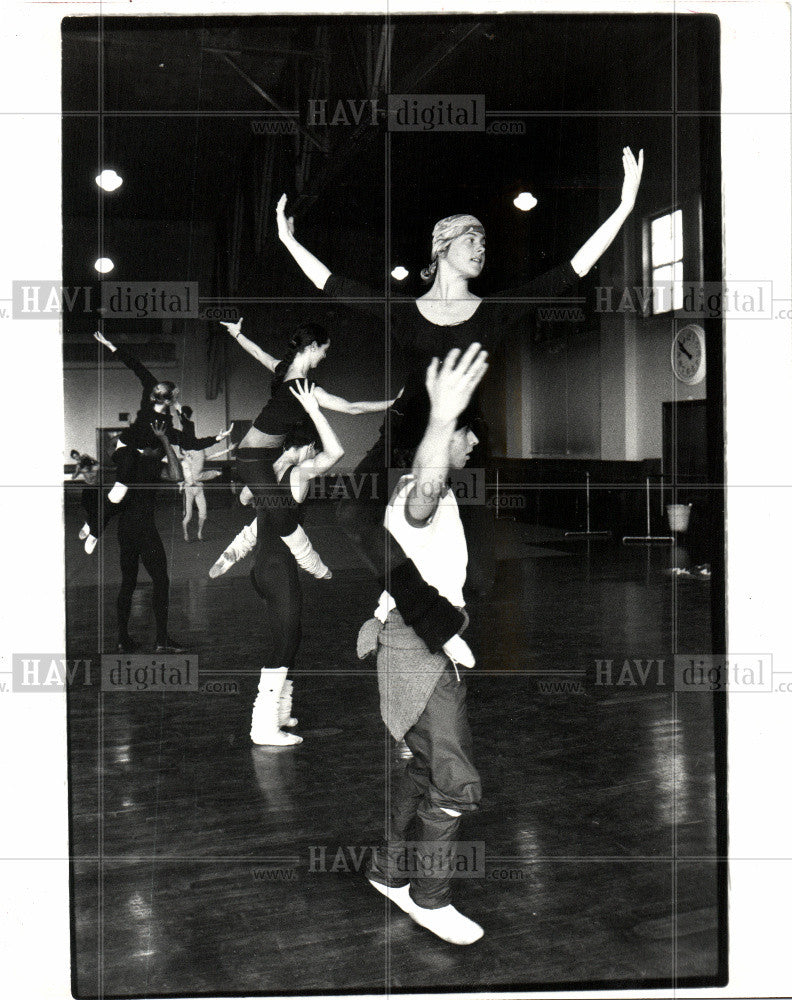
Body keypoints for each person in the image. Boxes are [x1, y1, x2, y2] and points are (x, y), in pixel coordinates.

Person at [275, 148, 644, 588]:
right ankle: (414, 601)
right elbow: (332, 284)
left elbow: (571, 270)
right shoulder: (404, 310)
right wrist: (289, 241)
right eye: (471, 238)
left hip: (465, 440)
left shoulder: (493, 312)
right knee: (354, 513)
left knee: (480, 573)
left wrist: (624, 208)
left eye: (485, 242)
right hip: (405, 433)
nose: (480, 248)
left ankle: (441, 612)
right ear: (442, 246)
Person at [356, 343, 489, 946]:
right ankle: (430, 899)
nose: (474, 445)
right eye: (468, 434)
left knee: (415, 764)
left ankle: (388, 871)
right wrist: (440, 418)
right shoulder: (421, 493)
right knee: (454, 780)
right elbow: (429, 480)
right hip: (420, 652)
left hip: (410, 642)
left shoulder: (427, 495)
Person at [240, 381, 345, 747]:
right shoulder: (298, 474)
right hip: (279, 569)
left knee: (289, 637)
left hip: (263, 567)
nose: (317, 453)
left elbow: (243, 498)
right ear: (304, 448)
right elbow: (337, 451)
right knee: (284, 643)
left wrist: (283, 457)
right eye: (311, 448)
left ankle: (280, 713)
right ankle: (262, 726)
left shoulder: (268, 473)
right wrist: (315, 411)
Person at [220, 318, 396, 505]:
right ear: (313, 346)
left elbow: (258, 353)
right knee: (276, 513)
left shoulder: (283, 369)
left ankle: (254, 517)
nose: (324, 356)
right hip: (256, 455)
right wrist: (394, 402)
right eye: (324, 350)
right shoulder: (305, 388)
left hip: (260, 453)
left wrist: (237, 334)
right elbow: (352, 408)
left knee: (264, 506)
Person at [115, 420, 185, 654]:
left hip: (124, 529)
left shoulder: (128, 461)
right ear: (155, 449)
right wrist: (165, 440)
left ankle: (123, 639)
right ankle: (162, 641)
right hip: (143, 529)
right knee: (161, 581)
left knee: (128, 582)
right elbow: (176, 474)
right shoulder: (151, 463)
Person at [174, 404, 232, 542]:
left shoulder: (197, 454)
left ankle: (199, 533)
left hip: (199, 487)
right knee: (187, 516)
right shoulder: (182, 461)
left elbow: (214, 456)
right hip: (189, 488)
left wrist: (227, 450)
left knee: (204, 514)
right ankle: (186, 534)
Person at [70, 449, 101, 542]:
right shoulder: (79, 466)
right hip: (88, 486)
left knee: (95, 507)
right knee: (85, 506)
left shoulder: (91, 463)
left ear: (79, 454)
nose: (77, 458)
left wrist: (90, 459)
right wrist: (75, 474)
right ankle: (87, 525)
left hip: (96, 487)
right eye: (75, 457)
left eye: (77, 455)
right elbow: (74, 476)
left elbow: (97, 465)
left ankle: (91, 527)